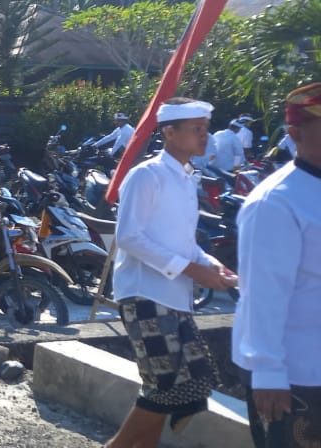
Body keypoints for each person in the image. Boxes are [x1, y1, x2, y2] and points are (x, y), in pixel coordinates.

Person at [106, 97, 238, 448]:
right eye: (196, 129)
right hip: (144, 293)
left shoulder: (187, 178)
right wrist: (191, 269)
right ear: (169, 131)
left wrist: (211, 264)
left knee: (192, 380)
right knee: (166, 386)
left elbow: (184, 243)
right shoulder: (146, 175)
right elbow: (129, 236)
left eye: (205, 128)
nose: (204, 136)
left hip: (175, 295)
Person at [233, 82, 321, 448]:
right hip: (297, 370)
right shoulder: (276, 201)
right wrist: (268, 371)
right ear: (294, 134)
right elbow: (262, 293)